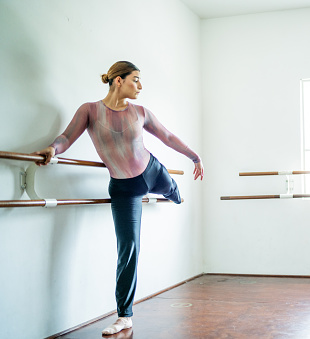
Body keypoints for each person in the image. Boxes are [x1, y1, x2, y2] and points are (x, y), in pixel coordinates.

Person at [35, 61, 204, 335]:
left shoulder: (140, 112)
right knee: (129, 249)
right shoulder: (89, 111)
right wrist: (53, 149)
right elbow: (66, 137)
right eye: (135, 79)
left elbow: (167, 136)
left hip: (151, 171)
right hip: (123, 189)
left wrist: (194, 156)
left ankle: (175, 194)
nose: (140, 86)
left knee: (172, 191)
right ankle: (124, 316)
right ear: (118, 81)